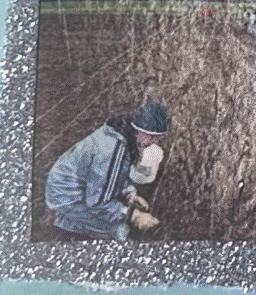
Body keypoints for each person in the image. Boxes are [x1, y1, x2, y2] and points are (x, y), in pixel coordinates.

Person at [45, 101, 170, 241]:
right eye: (151, 137)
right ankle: (70, 226)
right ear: (138, 129)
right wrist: (134, 216)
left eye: (158, 138)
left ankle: (69, 225)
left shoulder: (120, 136)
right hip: (68, 197)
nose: (153, 142)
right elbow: (97, 203)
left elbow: (112, 177)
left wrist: (128, 195)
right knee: (120, 232)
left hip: (69, 190)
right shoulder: (114, 148)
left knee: (114, 221)